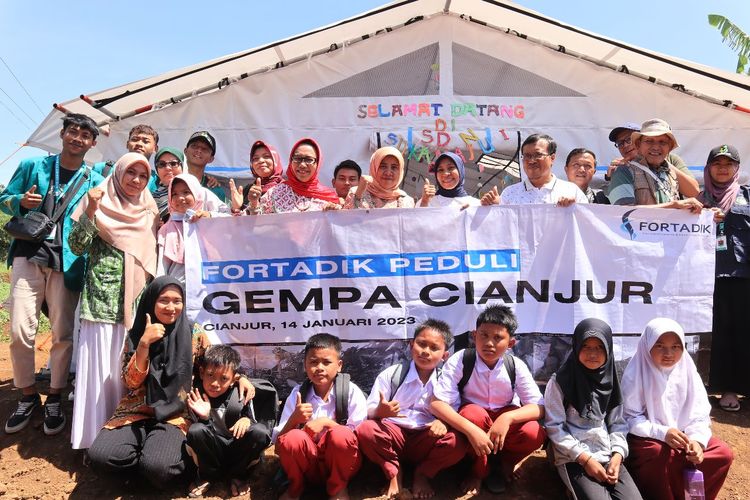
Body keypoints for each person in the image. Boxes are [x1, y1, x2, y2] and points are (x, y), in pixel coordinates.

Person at [1, 113, 104, 436]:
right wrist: (20, 200)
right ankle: (28, 395)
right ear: (62, 135)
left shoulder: (93, 178)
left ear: (93, 143)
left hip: (68, 261)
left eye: (84, 135)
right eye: (72, 132)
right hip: (28, 255)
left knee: (62, 333)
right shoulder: (35, 166)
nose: (77, 138)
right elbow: (4, 201)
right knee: (19, 329)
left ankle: (55, 396)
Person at [68, 152, 159, 450]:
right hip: (101, 302)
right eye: (130, 173)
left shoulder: (149, 210)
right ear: (118, 173)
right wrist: (92, 210)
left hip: (135, 306)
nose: (136, 180)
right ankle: (92, 440)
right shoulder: (98, 201)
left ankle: (119, 440)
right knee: (99, 373)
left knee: (127, 371)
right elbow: (77, 246)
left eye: (142, 175)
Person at [87, 277, 206, 488]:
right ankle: (144, 464)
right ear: (151, 301)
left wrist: (240, 379)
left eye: (177, 301)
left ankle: (155, 466)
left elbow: (214, 367)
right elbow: (131, 382)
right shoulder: (137, 333)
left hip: (175, 414)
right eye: (164, 300)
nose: (171, 307)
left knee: (159, 466)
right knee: (100, 456)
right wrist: (144, 344)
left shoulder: (194, 334)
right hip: (136, 411)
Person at [430, 305, 546, 495]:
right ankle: (478, 472)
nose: (489, 343)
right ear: (474, 336)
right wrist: (471, 429)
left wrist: (506, 419)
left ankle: (506, 463)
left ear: (511, 343)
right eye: (484, 335)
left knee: (533, 432)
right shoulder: (462, 360)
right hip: (474, 422)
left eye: (498, 337)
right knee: (472, 414)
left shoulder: (515, 366)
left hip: (503, 424)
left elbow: (539, 407)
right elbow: (436, 403)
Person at [622, 318, 733, 500]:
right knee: (658, 454)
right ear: (647, 345)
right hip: (650, 438)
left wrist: (697, 441)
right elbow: (630, 418)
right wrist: (663, 433)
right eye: (659, 346)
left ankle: (688, 496)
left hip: (684, 437)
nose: (668, 353)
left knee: (722, 454)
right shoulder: (636, 373)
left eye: (675, 346)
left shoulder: (687, 370)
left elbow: (699, 414)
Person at [356, 319, 467, 499]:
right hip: (394, 435)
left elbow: (453, 411)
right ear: (411, 345)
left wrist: (442, 422)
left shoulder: (447, 381)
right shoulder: (392, 374)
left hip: (426, 437)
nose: (425, 351)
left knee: (457, 442)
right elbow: (369, 409)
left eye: (434, 348)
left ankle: (423, 474)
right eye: (421, 344)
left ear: (445, 355)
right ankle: (394, 472)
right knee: (366, 430)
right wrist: (379, 412)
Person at [544, 318, 642, 500]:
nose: (592, 354)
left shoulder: (611, 380)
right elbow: (554, 427)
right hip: (572, 456)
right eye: (586, 346)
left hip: (606, 453)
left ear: (608, 350)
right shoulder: (560, 382)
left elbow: (617, 424)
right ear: (576, 347)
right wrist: (585, 459)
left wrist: (617, 455)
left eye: (599, 348)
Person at [273, 333, 367, 500]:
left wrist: (327, 423)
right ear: (305, 365)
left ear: (339, 366)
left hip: (341, 466)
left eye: (326, 362)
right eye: (313, 362)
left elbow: (358, 441)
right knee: (292, 437)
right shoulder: (298, 394)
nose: (319, 368)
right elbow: (279, 446)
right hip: (308, 466)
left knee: (341, 434)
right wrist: (294, 419)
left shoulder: (350, 392)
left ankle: (338, 489)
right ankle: (296, 488)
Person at [697, 145, 749, 412]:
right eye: (716, 163)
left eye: (728, 163)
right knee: (714, 334)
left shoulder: (747, 196)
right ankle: (715, 388)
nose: (722, 168)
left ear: (736, 168)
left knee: (743, 333)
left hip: (743, 277)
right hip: (707, 277)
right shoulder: (697, 198)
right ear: (708, 168)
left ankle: (739, 389)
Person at [185, 345, 272, 497]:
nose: (215, 383)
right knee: (196, 430)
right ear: (201, 373)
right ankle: (207, 476)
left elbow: (252, 420)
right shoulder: (196, 393)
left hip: (235, 448)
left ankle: (238, 476)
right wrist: (205, 417)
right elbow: (198, 435)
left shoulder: (240, 393)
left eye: (223, 378)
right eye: (210, 375)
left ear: (233, 379)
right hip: (212, 449)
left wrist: (246, 420)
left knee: (259, 432)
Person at [608, 119, 701, 207]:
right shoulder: (623, 170)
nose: (656, 147)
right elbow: (623, 213)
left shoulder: (670, 164)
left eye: (662, 142)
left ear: (670, 147)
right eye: (620, 143)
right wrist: (674, 206)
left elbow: (694, 191)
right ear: (638, 144)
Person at [157, 174, 228, 283]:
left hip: (211, 285)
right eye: (174, 194)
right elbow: (162, 266)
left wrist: (209, 216)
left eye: (186, 192)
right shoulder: (166, 229)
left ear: (197, 194)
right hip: (179, 288)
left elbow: (233, 225)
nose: (180, 198)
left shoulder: (209, 220)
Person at [481, 134, 588, 206]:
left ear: (552, 158)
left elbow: (586, 226)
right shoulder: (510, 194)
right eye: (527, 156)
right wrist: (494, 207)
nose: (531, 161)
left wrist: (575, 209)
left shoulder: (571, 191)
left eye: (538, 155)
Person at [243, 138, 341, 214]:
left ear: (318, 163)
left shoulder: (328, 197)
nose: (302, 165)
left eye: (308, 159)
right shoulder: (275, 193)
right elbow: (255, 227)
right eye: (297, 158)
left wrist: (336, 212)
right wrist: (253, 203)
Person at [344, 147, 416, 209]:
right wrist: (358, 194)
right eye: (383, 166)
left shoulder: (407, 201)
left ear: (400, 171)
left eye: (394, 167)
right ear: (374, 168)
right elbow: (346, 221)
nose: (388, 173)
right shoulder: (356, 192)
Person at [228, 140, 284, 213]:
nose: (260, 161)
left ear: (275, 160)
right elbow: (238, 222)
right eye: (255, 158)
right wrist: (236, 208)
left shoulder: (286, 188)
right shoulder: (247, 190)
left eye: (266, 156)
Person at [93, 124, 159, 177]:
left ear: (155, 149)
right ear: (127, 144)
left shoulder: (156, 181)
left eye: (145, 141)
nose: (139, 144)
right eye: (135, 139)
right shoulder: (102, 169)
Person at [184, 131, 226, 202]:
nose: (199, 150)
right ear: (185, 151)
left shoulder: (216, 190)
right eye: (194, 146)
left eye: (205, 149)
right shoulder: (171, 180)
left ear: (211, 159)